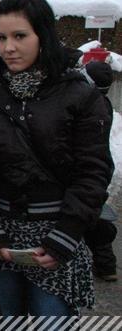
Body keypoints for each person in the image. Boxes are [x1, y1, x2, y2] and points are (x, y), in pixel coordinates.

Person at [0, 0, 113, 317]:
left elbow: (93, 170)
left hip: (56, 235)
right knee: (9, 316)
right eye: (2, 38)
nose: (8, 48)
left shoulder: (79, 94)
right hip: (1, 238)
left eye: (20, 36)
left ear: (43, 35)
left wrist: (66, 234)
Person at [80, 61, 118, 282]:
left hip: (91, 166)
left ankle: (104, 264)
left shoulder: (91, 105)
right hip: (101, 165)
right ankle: (106, 265)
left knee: (91, 215)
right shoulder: (103, 103)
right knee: (94, 212)